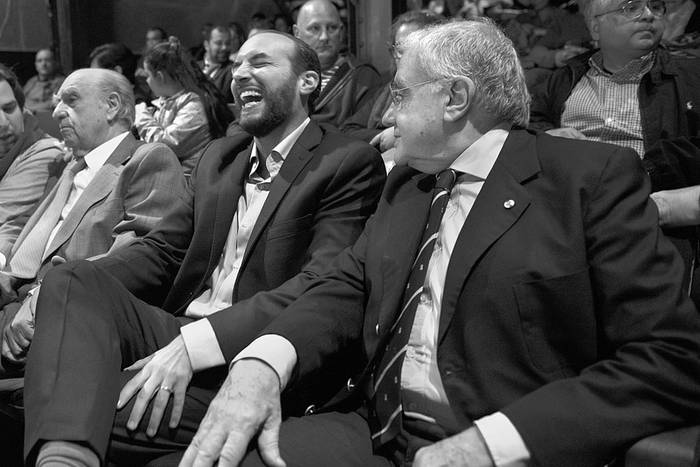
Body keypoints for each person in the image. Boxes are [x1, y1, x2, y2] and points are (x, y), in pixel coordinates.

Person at [178, 19, 700, 467]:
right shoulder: (409, 183)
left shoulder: (586, 179)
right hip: (377, 427)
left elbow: (670, 358)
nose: (385, 116)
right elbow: (345, 287)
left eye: (401, 95)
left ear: (455, 99)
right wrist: (264, 359)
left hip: (508, 440)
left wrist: (494, 443)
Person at [22, 31, 385, 467]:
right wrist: (55, 293)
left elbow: (321, 285)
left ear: (307, 82)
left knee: (67, 399)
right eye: (238, 64)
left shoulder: (345, 160)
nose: (240, 73)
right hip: (175, 330)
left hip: (255, 354)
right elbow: (163, 251)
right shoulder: (222, 156)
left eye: (261, 63)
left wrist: (198, 343)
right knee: (71, 277)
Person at [0, 68, 187, 373]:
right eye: (57, 102)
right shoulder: (68, 166)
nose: (58, 111)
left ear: (112, 105)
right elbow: (27, 237)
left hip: (66, 315)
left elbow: (138, 258)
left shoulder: (148, 158)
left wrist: (45, 294)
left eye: (70, 100)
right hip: (14, 300)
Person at [529, 0, 700, 302]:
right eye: (631, 7)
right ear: (596, 25)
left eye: (655, 6)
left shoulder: (689, 78)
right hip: (565, 212)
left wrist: (645, 170)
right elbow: (524, 125)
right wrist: (549, 136)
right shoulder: (565, 79)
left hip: (646, 214)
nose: (648, 15)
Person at [341, 10, 444, 171]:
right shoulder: (385, 89)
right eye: (399, 50)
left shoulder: (440, 91)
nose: (403, 57)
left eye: (412, 49)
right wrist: (383, 136)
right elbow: (347, 130)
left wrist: (401, 135)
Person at [135, 36, 233, 174]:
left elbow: (165, 147)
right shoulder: (168, 101)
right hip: (167, 176)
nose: (147, 81)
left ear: (160, 76)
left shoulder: (194, 104)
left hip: (187, 182)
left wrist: (142, 117)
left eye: (148, 76)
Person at [0, 64, 65, 269]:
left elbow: (7, 225)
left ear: (22, 107)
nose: (2, 122)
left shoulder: (47, 153)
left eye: (9, 109)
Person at [293, 0, 381, 128]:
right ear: (297, 33)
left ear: (341, 32)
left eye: (332, 28)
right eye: (315, 28)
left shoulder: (364, 77)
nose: (324, 37)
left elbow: (362, 133)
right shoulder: (285, 75)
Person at [199, 25, 235, 103]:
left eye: (228, 43)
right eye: (219, 43)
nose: (224, 47)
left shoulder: (233, 70)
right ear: (206, 45)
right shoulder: (193, 67)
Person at [21, 49, 65, 114]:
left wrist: (30, 107)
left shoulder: (61, 82)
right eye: (39, 61)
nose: (43, 64)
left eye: (47, 60)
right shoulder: (31, 82)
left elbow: (55, 103)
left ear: (54, 63)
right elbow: (20, 101)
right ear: (36, 65)